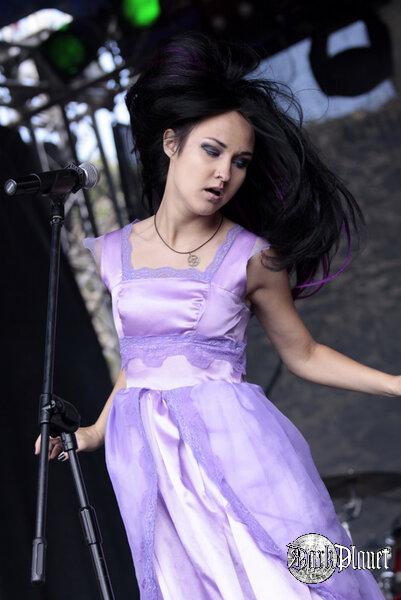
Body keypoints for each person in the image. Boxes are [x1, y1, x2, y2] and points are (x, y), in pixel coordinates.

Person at [36, 32, 400, 599]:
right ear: (171, 143)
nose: (224, 173)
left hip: (237, 443)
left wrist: (395, 384)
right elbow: (141, 362)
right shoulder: (114, 253)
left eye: (240, 161)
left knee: (284, 581)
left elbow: (303, 353)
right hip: (148, 456)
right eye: (212, 151)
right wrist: (91, 434)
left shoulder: (252, 257)